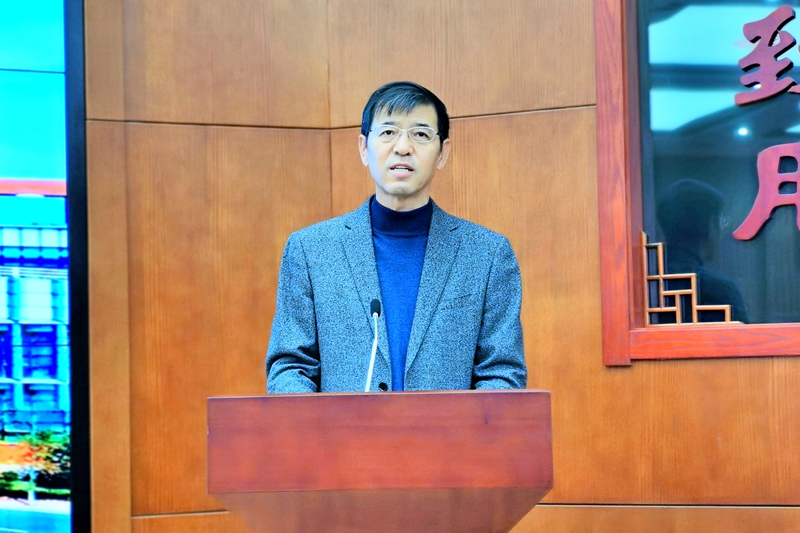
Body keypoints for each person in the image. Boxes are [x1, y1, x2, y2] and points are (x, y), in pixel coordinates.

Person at [265, 81, 527, 393]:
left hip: (449, 428)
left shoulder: (487, 255)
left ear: (443, 153)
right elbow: (289, 367)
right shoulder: (310, 251)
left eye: (420, 134)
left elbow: (502, 373)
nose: (403, 147)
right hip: (342, 428)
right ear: (363, 148)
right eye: (388, 132)